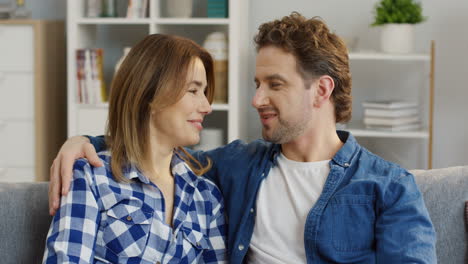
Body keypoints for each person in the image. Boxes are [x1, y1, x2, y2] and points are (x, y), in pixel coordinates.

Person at [48, 13, 436, 263]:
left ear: (321, 91)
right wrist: (83, 141)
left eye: (274, 84)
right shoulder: (235, 167)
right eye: (256, 83)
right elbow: (152, 145)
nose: (256, 99)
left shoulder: (390, 188)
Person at [43, 34, 227, 263]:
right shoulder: (90, 179)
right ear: (150, 94)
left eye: (205, 92)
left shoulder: (206, 198)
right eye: (193, 90)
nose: (207, 106)